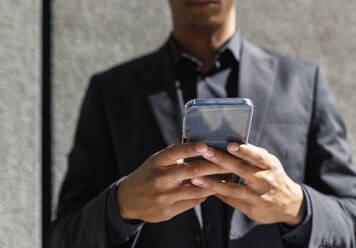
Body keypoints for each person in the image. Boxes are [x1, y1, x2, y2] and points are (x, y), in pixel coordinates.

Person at [50, 0, 356, 247]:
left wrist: (298, 207)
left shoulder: (304, 82)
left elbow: (350, 221)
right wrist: (121, 206)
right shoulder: (112, 90)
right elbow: (62, 236)